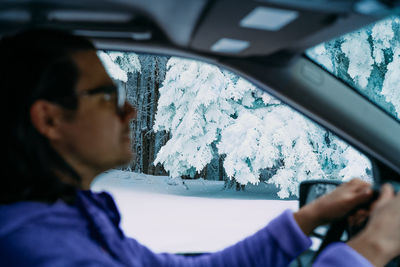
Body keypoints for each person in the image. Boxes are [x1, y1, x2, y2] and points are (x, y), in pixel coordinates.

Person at [0, 28, 399, 267]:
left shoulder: (72, 217)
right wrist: (371, 247)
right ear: (49, 119)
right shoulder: (43, 250)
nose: (130, 110)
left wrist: (308, 218)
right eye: (107, 95)